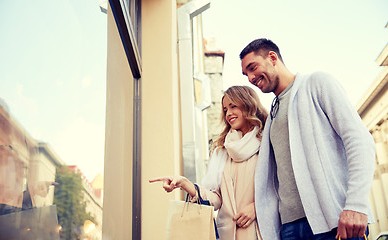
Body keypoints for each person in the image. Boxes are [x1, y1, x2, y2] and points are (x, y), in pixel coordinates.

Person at [239, 38, 375, 240]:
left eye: (253, 67)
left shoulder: (317, 83)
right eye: (245, 74)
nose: (250, 77)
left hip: (334, 222)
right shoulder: (273, 115)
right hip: (290, 229)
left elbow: (359, 140)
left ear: (272, 58)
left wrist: (356, 204)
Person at [150, 86, 268, 240]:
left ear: (248, 104)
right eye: (225, 109)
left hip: (262, 231)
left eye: (233, 106)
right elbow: (217, 198)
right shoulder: (222, 150)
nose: (229, 113)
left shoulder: (267, 143)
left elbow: (280, 188)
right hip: (228, 234)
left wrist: (256, 207)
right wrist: (185, 184)